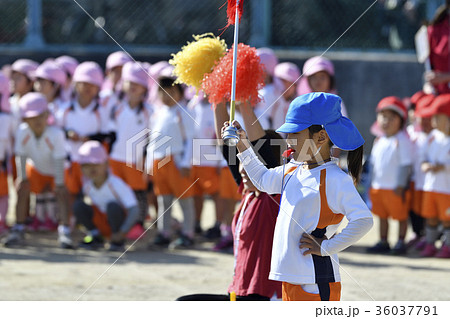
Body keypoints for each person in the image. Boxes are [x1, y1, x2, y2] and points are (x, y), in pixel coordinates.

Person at [232, 92, 373, 301]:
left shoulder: (334, 178)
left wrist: (326, 248)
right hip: (289, 277)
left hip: (314, 280)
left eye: (294, 133)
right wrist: (242, 143)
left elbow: (363, 220)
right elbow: (262, 180)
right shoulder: (292, 169)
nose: (288, 140)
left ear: (321, 137)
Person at [177, 100, 284, 301]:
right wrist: (217, 98)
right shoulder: (248, 192)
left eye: (249, 159)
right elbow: (227, 147)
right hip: (239, 292)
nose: (242, 168)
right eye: (242, 159)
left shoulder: (274, 197)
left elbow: (264, 152)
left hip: (263, 297)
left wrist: (244, 102)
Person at [2, 93, 72, 248]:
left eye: (41, 115)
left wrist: (59, 183)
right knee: (22, 188)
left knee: (62, 192)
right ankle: (18, 229)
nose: (37, 120)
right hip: (35, 168)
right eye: (32, 117)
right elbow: (20, 156)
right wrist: (22, 178)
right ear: (25, 119)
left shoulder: (56, 134)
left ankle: (65, 230)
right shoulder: (22, 132)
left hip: (57, 170)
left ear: (47, 115)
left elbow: (59, 161)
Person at [147, 76, 196, 249]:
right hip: (158, 160)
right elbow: (152, 140)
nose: (167, 96)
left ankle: (188, 232)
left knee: (184, 198)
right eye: (163, 91)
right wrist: (148, 164)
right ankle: (164, 232)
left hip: (176, 159)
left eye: (171, 92)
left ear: (180, 93)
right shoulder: (158, 113)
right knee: (163, 199)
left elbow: (191, 139)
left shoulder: (183, 112)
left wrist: (185, 162)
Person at [108, 61, 152, 240]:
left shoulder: (149, 111)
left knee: (138, 192)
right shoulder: (115, 108)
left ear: (145, 88)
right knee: (117, 191)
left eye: (138, 83)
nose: (133, 87)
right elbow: (110, 134)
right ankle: (119, 223)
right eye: (130, 82)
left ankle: (138, 224)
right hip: (115, 159)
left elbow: (152, 139)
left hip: (137, 161)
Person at [74, 141, 139, 251]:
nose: (91, 169)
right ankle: (96, 236)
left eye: (96, 164)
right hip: (102, 222)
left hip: (119, 224)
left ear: (106, 164)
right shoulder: (87, 186)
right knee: (78, 206)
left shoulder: (116, 184)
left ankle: (118, 241)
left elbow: (134, 209)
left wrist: (123, 232)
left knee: (112, 206)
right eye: (86, 165)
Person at [368, 96, 413, 255]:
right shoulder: (378, 140)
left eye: (392, 117)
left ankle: (401, 241)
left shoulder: (402, 140)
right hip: (378, 186)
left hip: (395, 188)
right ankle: (383, 240)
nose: (386, 121)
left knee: (400, 216)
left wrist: (401, 184)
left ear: (401, 120)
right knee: (382, 216)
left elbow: (405, 164)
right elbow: (373, 164)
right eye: (383, 116)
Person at [418, 94, 450, 258]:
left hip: (446, 188)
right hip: (431, 186)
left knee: (447, 219)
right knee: (430, 216)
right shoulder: (432, 137)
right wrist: (425, 164)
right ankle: (430, 244)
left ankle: (447, 245)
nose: (433, 121)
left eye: (438, 117)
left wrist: (442, 166)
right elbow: (423, 156)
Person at [407, 94, 434, 249]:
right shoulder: (410, 132)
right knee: (415, 209)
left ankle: (431, 238)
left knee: (432, 211)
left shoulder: (435, 135)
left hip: (433, 182)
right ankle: (419, 234)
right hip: (414, 179)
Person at [425, 0, 450, 94]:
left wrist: (446, 77)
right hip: (438, 93)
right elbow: (428, 67)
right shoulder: (433, 30)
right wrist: (428, 82)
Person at [0, 72, 14, 235]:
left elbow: (7, 143)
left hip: (1, 163)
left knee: (3, 194)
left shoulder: (6, 118)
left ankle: (2, 221)